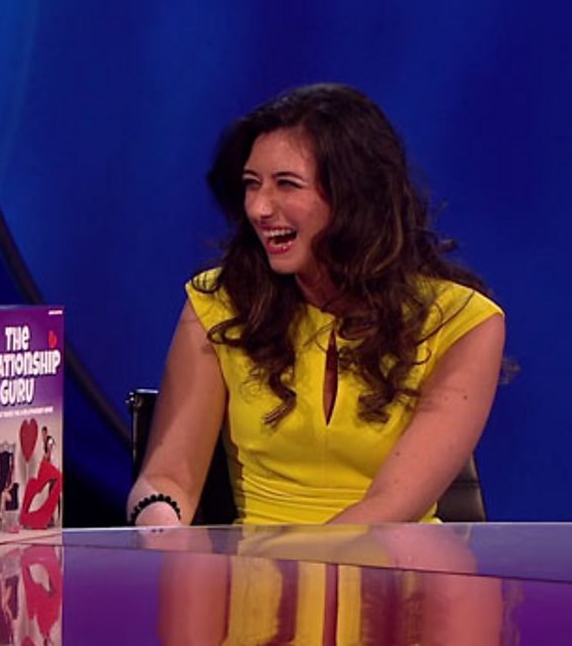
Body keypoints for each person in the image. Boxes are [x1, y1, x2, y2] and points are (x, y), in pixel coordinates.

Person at [128, 83, 505, 526]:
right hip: (251, 567)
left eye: (286, 184)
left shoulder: (463, 323)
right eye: (251, 185)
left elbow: (388, 509)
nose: (258, 208)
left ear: (354, 195)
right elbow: (167, 478)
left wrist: (300, 566)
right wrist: (161, 528)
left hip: (392, 566)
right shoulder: (220, 303)